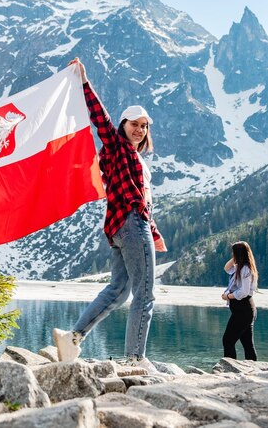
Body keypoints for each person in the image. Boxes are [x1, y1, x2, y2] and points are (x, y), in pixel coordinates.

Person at [53, 58, 167, 371]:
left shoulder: (133, 158)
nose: (140, 130)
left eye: (144, 126)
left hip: (121, 228)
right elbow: (99, 119)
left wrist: (152, 234)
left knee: (119, 290)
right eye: (135, 124)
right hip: (130, 226)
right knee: (145, 292)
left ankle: (72, 337)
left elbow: (141, 199)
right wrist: (85, 84)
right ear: (122, 125)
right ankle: (135, 359)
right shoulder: (117, 146)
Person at [222, 241, 258, 361]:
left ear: (239, 254)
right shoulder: (240, 267)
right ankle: (252, 369)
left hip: (243, 310)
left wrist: (228, 296)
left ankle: (229, 368)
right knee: (247, 344)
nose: (232, 255)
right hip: (243, 310)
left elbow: (244, 291)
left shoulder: (245, 269)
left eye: (234, 253)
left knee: (228, 341)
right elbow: (227, 268)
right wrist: (235, 258)